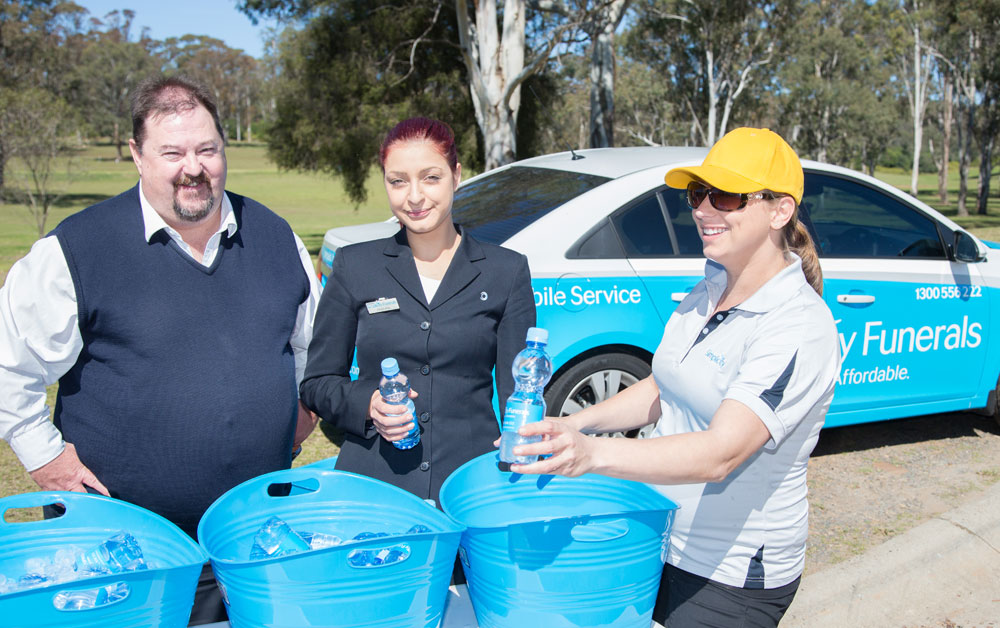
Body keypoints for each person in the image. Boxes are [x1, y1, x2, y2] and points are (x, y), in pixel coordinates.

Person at [0, 75, 320, 624]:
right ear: (137, 155)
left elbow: (311, 352)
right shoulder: (74, 250)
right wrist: (47, 460)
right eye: (171, 152)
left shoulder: (276, 236)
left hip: (257, 543)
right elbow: (8, 366)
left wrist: (295, 418)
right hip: (120, 556)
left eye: (207, 149)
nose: (192, 168)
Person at [508, 128, 840, 627]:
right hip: (658, 536)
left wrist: (592, 455)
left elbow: (720, 454)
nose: (703, 210)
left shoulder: (799, 326)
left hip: (729, 577)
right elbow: (662, 386)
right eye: (697, 194)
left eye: (725, 196)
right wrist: (576, 427)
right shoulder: (706, 289)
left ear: (779, 211)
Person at [300, 116, 535, 506]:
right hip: (375, 487)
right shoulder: (355, 266)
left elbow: (518, 395)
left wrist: (519, 470)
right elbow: (318, 383)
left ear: (456, 176)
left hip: (469, 488)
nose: (414, 196)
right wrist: (368, 404)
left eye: (430, 178)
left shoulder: (506, 271)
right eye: (397, 181)